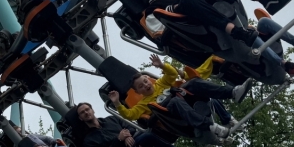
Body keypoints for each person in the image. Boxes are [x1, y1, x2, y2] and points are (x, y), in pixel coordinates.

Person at [131, 0, 294, 78]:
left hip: (224, 10)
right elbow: (164, 31)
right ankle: (234, 31)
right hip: (208, 35)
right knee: (188, 0)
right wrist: (180, 6)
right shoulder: (151, 11)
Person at [106, 54, 251, 139]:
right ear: (138, 92)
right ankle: (211, 126)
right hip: (176, 116)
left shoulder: (161, 84)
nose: (146, 85)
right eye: (141, 86)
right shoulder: (143, 104)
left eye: (145, 81)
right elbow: (130, 115)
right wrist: (118, 103)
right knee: (174, 100)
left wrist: (162, 66)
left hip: (188, 101)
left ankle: (232, 93)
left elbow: (172, 74)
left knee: (194, 83)